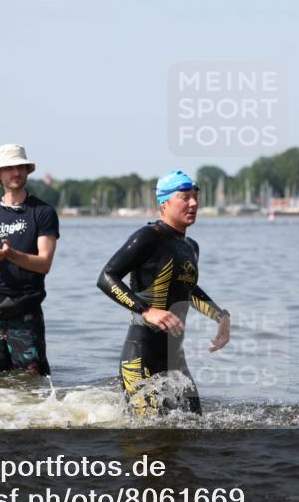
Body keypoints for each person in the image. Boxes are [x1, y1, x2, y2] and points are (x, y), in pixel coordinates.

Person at [97, 170, 230, 416]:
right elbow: (106, 277)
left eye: (195, 197)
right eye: (184, 197)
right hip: (141, 356)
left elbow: (187, 290)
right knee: (145, 439)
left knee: (194, 428)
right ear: (163, 203)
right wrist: (146, 310)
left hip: (175, 358)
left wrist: (222, 317)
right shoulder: (148, 237)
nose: (193, 203)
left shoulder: (191, 247)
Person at [0, 144, 59, 374]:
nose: (16, 172)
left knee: (32, 382)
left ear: (27, 170)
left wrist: (11, 254)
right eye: (9, 168)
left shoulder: (42, 212)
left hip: (24, 309)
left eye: (21, 167)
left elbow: (44, 263)